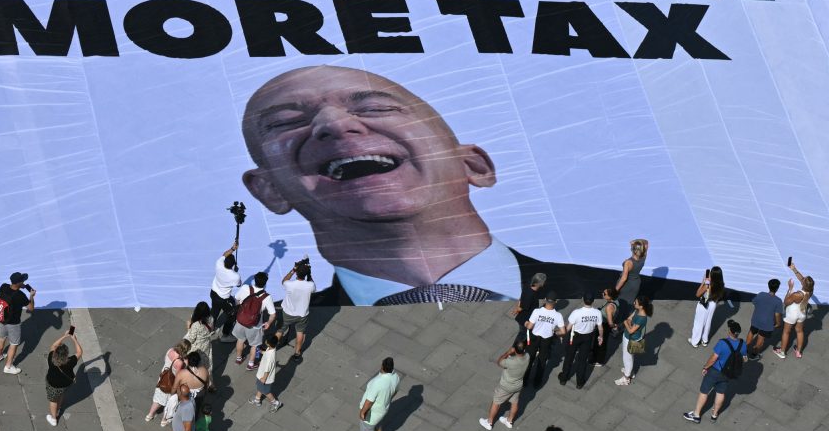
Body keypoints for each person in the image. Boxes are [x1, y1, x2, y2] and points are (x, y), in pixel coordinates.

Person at [240, 66, 697, 306]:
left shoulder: (676, 306)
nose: (335, 125)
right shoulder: (268, 342)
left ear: (474, 165)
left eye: (376, 107)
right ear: (269, 190)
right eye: (286, 123)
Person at [683, 320, 745, 423]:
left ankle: (696, 415)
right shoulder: (742, 344)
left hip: (716, 371)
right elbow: (743, 357)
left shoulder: (723, 343)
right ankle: (715, 414)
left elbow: (713, 358)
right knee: (721, 392)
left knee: (704, 391)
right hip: (728, 373)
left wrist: (705, 367)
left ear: (730, 332)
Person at [357, 357, 401, 431]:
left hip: (372, 413)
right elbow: (395, 391)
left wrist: (363, 412)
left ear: (382, 366)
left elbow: (369, 401)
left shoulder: (378, 382)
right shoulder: (395, 377)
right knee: (378, 427)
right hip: (383, 410)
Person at [479, 342, 529, 430]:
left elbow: (499, 362)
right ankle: (509, 421)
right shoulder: (527, 356)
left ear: (515, 350)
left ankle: (489, 422)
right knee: (515, 402)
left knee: (496, 402)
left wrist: (508, 352)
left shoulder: (511, 361)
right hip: (518, 385)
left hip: (506, 386)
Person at [558, 294, 604, 389]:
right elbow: (600, 327)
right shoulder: (597, 313)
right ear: (593, 301)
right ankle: (580, 382)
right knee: (582, 360)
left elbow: (568, 328)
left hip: (575, 337)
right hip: (588, 337)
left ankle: (564, 378)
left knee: (569, 357)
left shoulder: (576, 312)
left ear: (583, 300)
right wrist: (601, 336)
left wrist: (561, 335)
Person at [232, 272, 276, 370]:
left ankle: (238, 359)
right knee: (254, 345)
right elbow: (272, 314)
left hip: (241, 320)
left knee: (240, 340)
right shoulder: (267, 297)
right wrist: (268, 323)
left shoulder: (245, 288)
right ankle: (251, 364)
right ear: (265, 283)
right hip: (254, 325)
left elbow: (236, 299)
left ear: (254, 280)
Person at [0, 272, 35, 375]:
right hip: (13, 324)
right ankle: (8, 366)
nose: (24, 282)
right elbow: (31, 308)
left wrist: (21, 286)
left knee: (1, 338)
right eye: (22, 281)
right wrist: (31, 296)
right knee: (14, 344)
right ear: (19, 283)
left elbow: (7, 291)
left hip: (2, 318)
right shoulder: (20, 295)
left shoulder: (3, 287)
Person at [277, 257, 316, 362]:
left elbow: (284, 280)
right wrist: (309, 274)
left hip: (288, 312)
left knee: (281, 329)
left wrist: (292, 270)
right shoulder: (310, 285)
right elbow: (312, 285)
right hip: (302, 314)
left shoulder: (289, 284)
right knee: (300, 333)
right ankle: (297, 353)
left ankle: (271, 347)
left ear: (297, 273)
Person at [523, 293, 565, 389]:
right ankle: (537, 382)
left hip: (534, 337)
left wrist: (526, 323)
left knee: (529, 359)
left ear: (545, 299)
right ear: (556, 302)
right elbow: (563, 331)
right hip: (547, 340)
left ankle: (524, 380)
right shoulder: (558, 315)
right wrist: (555, 333)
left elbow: (529, 326)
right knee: (542, 361)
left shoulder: (537, 311)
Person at [44, 328, 82, 427]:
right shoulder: (70, 361)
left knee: (53, 400)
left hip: (53, 384)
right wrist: (74, 339)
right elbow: (79, 352)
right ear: (66, 355)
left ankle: (53, 418)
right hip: (65, 384)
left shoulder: (51, 358)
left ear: (56, 353)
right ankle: (59, 408)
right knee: (61, 395)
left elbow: (53, 345)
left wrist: (65, 336)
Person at [777, 262, 814, 359]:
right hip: (802, 313)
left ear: (803, 284)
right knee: (800, 331)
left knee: (786, 332)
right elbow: (802, 279)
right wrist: (794, 269)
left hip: (792, 314)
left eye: (803, 279)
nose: (802, 278)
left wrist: (790, 289)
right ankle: (798, 351)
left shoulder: (797, 294)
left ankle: (782, 352)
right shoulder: (810, 291)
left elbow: (786, 302)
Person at [145, 339, 188, 424]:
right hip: (170, 382)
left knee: (158, 399)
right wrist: (185, 364)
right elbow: (179, 374)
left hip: (163, 376)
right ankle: (164, 420)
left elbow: (166, 361)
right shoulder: (179, 362)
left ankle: (150, 415)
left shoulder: (170, 350)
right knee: (168, 402)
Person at [615, 296, 652, 386]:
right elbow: (630, 319)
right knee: (629, 357)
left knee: (627, 358)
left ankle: (626, 378)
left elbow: (631, 330)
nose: (634, 303)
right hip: (628, 336)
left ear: (641, 306)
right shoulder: (637, 311)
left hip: (632, 339)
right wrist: (628, 322)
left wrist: (625, 322)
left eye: (635, 303)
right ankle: (629, 371)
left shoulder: (641, 318)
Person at [210, 241, 241, 341]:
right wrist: (235, 272)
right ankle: (226, 335)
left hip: (213, 293)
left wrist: (232, 249)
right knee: (232, 314)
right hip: (224, 299)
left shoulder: (219, 263)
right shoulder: (235, 276)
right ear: (233, 265)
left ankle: (210, 329)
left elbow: (224, 254)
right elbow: (239, 284)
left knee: (214, 311)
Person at [745, 279, 783, 360]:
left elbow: (754, 302)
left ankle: (745, 350)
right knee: (761, 338)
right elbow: (777, 315)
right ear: (777, 288)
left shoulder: (761, 294)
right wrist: (778, 324)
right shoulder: (778, 301)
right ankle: (753, 355)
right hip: (767, 323)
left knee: (751, 332)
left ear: (768, 286)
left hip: (756, 319)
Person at [688, 266, 724, 348]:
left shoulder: (707, 285)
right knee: (708, 322)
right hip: (713, 304)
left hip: (704, 304)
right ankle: (705, 340)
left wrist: (703, 283)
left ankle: (695, 341)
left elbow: (697, 294)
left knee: (698, 323)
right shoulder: (721, 284)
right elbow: (719, 296)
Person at [248, 334, 283, 412]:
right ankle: (257, 399)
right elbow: (266, 353)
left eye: (266, 340)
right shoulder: (270, 349)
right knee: (260, 387)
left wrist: (264, 378)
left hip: (265, 378)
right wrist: (261, 352)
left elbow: (267, 369)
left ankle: (276, 403)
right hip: (261, 374)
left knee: (266, 391)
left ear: (268, 343)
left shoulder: (270, 356)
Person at [615, 239, 648, 319]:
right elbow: (647, 243)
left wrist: (615, 290)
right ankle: (627, 316)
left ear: (632, 249)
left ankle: (620, 319)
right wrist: (636, 243)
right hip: (636, 283)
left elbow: (624, 278)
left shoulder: (628, 262)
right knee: (630, 302)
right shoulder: (643, 257)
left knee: (621, 303)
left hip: (627, 285)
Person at [509, 273, 546, 344]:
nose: (545, 282)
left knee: (525, 332)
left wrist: (518, 305)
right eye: (544, 281)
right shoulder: (530, 295)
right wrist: (517, 309)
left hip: (528, 313)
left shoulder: (528, 284)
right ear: (540, 283)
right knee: (523, 333)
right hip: (526, 317)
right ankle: (516, 348)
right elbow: (523, 307)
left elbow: (522, 297)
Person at [184, 301, 215, 377]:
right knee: (204, 362)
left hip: (197, 347)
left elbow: (191, 339)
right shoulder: (211, 318)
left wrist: (188, 327)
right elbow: (212, 329)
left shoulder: (196, 325)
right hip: (206, 344)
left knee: (194, 361)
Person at [590, 287, 620, 366]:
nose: (602, 294)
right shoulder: (615, 301)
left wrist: (614, 326)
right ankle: (598, 358)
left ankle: (598, 360)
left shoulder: (609, 307)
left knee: (600, 342)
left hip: (604, 325)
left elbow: (610, 322)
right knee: (602, 342)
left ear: (610, 297)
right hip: (605, 324)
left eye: (604, 294)